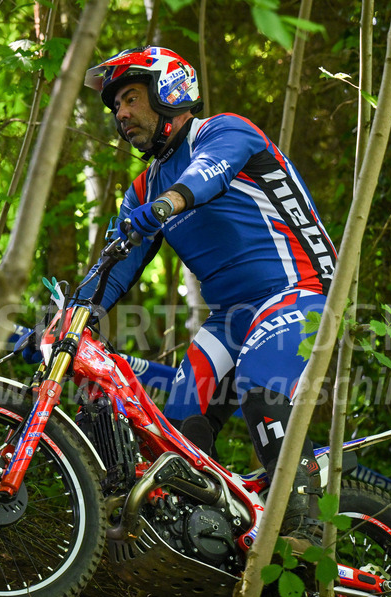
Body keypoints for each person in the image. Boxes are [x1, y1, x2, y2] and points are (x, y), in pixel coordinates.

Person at [81, 46, 338, 538]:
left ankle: (303, 528)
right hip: (232, 317)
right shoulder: (143, 188)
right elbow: (114, 267)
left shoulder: (224, 131)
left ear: (169, 92)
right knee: (174, 428)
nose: (122, 115)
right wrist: (74, 314)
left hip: (300, 290)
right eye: (116, 107)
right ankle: (210, 538)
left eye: (131, 98)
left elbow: (209, 174)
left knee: (260, 386)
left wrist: (166, 205)